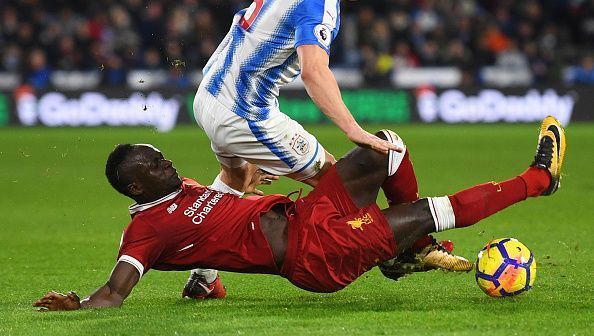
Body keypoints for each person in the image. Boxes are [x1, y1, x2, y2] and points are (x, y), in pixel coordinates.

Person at [191, 0, 481, 292]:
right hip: (244, 113)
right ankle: (400, 249)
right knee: (337, 179)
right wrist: (352, 129)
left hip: (209, 93)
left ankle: (203, 278)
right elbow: (314, 71)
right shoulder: (319, 1)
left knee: (236, 177)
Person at [33, 116, 565, 311]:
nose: (166, 160)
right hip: (316, 252)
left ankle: (407, 252)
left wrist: (205, 282)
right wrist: (78, 304)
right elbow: (116, 291)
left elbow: (221, 208)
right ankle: (539, 180)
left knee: (384, 146)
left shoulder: (182, 189)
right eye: (153, 163)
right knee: (433, 211)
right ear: (134, 185)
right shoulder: (143, 230)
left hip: (308, 213)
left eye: (161, 154)